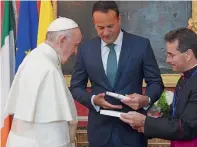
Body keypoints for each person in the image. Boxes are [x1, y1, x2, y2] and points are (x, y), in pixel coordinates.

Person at [70, 1, 164, 147]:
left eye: (110, 26)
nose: (105, 33)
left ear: (119, 19)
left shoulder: (141, 45)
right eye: (100, 28)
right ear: (94, 23)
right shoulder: (86, 50)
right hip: (99, 132)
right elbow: (76, 87)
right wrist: (94, 100)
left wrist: (145, 99)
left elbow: (156, 82)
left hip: (132, 131)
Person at [4, 17, 82, 147]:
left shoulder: (36, 57)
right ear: (62, 40)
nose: (75, 51)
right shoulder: (47, 68)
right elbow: (53, 136)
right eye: (75, 45)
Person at [120, 28, 197, 147]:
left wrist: (145, 122)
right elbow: (174, 116)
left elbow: (186, 127)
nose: (167, 60)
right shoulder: (185, 77)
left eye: (171, 55)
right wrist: (145, 125)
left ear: (188, 54)